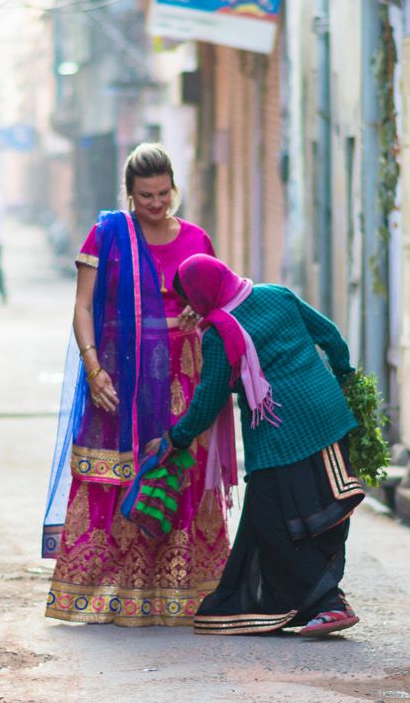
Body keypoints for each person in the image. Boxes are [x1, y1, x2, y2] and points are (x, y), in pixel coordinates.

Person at [42, 145, 233, 625]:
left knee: (180, 470)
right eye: (145, 195)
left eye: (164, 193)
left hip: (185, 372)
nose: (156, 203)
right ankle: (111, 594)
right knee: (116, 475)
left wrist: (202, 312)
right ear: (129, 194)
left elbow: (220, 302)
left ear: (174, 188)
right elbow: (83, 307)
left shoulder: (196, 239)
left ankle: (179, 594)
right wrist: (92, 368)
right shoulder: (109, 236)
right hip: (120, 374)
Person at [156, 254, 365, 638]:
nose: (189, 308)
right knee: (324, 511)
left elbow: (207, 402)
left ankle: (329, 604)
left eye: (190, 299)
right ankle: (327, 604)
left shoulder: (220, 335)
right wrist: (345, 377)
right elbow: (331, 336)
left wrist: (176, 437)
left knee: (277, 524)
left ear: (203, 296)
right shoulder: (277, 295)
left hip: (279, 438)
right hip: (329, 418)